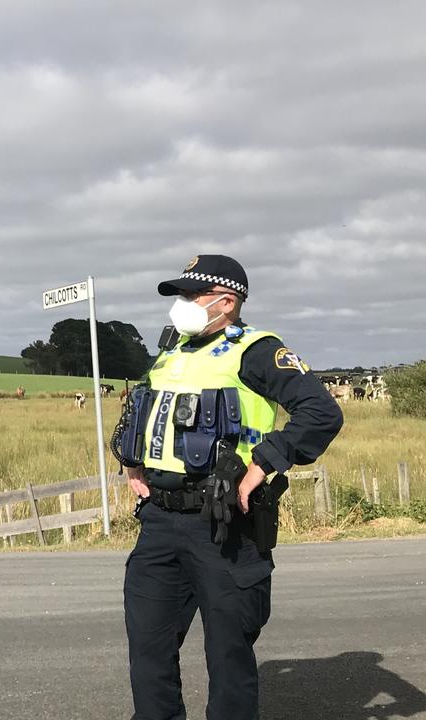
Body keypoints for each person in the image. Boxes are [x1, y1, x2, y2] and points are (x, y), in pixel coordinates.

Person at [120, 254, 343, 720]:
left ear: (225, 301)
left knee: (228, 658)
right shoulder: (174, 351)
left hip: (223, 523)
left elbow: (321, 413)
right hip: (159, 523)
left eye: (190, 295)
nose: (181, 304)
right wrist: (131, 461)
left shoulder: (258, 350)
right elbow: (148, 410)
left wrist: (264, 464)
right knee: (148, 655)